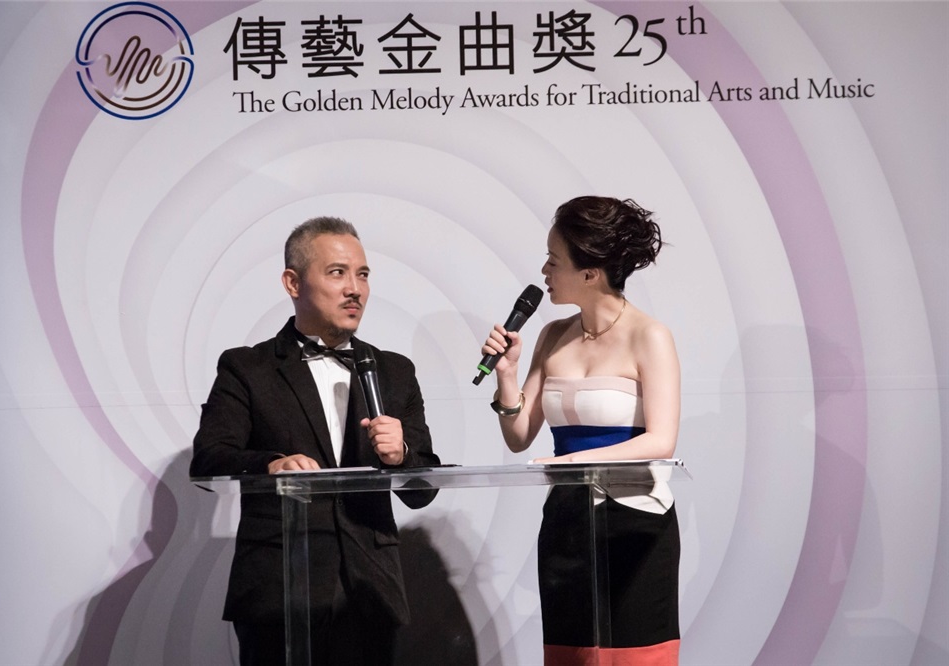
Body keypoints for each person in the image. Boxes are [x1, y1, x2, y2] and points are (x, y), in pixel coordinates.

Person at [191, 216, 440, 666]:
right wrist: (272, 465)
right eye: (337, 273)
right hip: (280, 588)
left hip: (369, 589)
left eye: (363, 275)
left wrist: (402, 456)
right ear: (293, 282)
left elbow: (423, 490)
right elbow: (209, 459)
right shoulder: (247, 368)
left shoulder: (394, 371)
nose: (355, 289)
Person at [480, 196, 681, 665]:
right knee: (570, 655)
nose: (544, 271)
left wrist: (571, 463)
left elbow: (661, 440)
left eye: (554, 261)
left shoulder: (649, 335)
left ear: (590, 273)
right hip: (567, 520)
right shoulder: (553, 335)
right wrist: (507, 375)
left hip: (635, 519)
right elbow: (519, 436)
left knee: (635, 657)